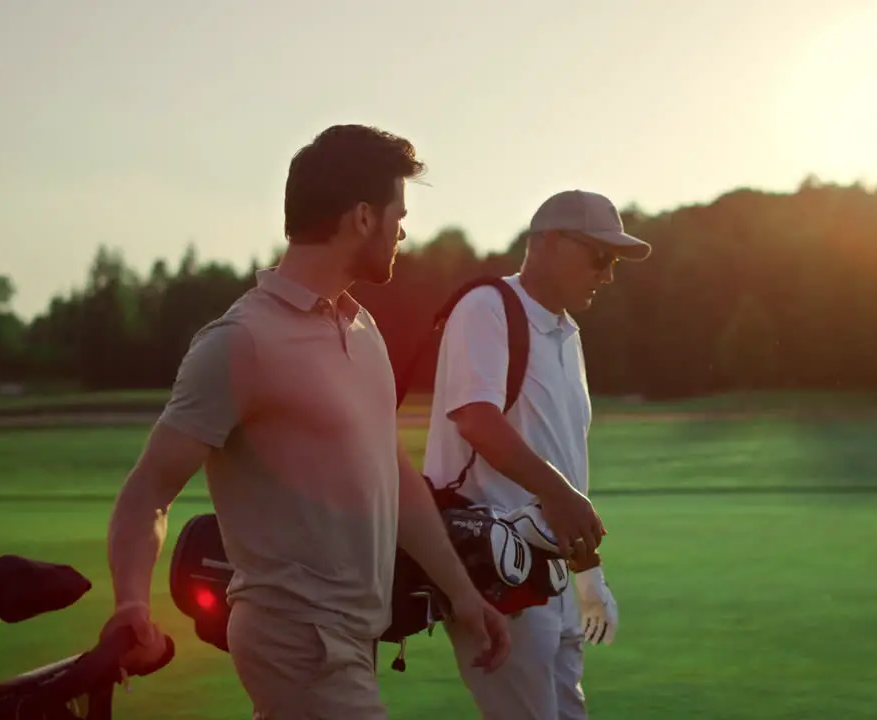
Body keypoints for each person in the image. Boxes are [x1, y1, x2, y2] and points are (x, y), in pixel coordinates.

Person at [99, 124, 511, 719]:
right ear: (363, 218)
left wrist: (462, 595)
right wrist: (131, 602)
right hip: (297, 642)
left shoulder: (363, 329)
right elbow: (149, 491)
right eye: (398, 214)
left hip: (355, 636)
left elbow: (396, 478)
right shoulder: (241, 342)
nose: (402, 231)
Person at [421, 189, 651, 718]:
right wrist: (559, 496)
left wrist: (588, 575)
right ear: (547, 244)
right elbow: (476, 419)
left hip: (553, 579)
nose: (608, 274)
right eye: (600, 256)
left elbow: (564, 473)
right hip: (498, 572)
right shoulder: (486, 307)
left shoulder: (568, 332)